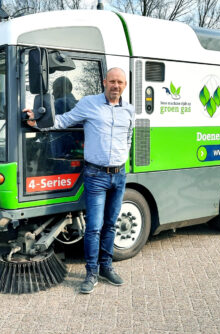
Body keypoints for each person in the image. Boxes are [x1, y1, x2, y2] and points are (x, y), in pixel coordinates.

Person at [24, 67, 135, 294]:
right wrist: (37, 121)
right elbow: (63, 121)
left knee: (111, 224)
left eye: (120, 82)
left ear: (125, 85)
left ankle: (106, 267)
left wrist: (123, 158)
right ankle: (91, 273)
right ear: (105, 82)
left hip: (119, 175)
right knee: (94, 227)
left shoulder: (130, 110)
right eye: (112, 81)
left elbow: (129, 137)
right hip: (96, 175)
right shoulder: (89, 103)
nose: (115, 85)